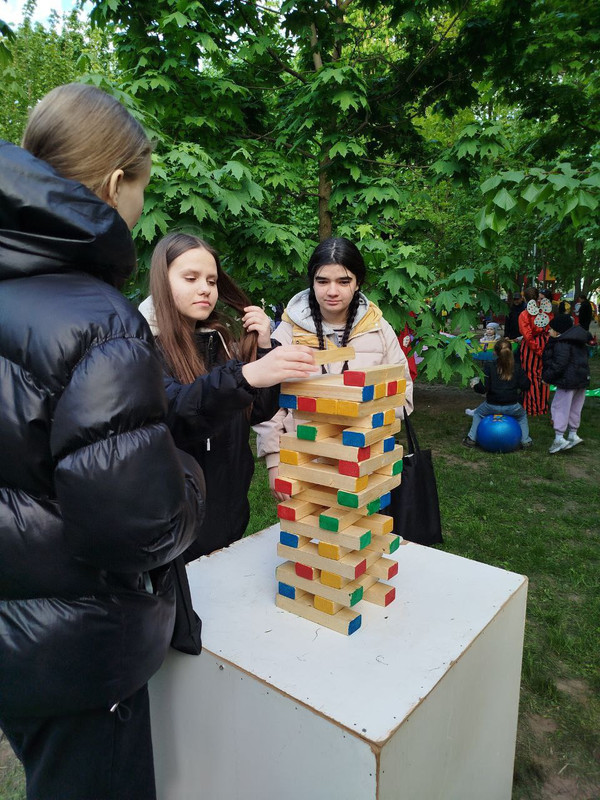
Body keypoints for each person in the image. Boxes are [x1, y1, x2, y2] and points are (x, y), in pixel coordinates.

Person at [0, 84, 206, 800]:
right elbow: (137, 525)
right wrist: (186, 477)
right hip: (79, 652)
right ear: (117, 184)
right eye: (142, 187)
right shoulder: (101, 321)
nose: (142, 205)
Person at [139, 232, 318, 558]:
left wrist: (263, 347)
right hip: (175, 527)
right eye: (190, 278)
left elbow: (259, 411)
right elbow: (177, 411)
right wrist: (246, 375)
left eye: (211, 280)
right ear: (162, 281)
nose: (205, 289)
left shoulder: (218, 340)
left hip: (228, 511)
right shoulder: (141, 346)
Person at [254, 236, 414, 501]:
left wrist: (359, 412)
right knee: (308, 526)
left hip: (365, 464)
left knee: (361, 525)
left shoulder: (379, 329)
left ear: (358, 282)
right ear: (312, 282)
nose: (332, 291)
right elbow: (266, 400)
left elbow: (403, 395)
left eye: (343, 281)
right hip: (304, 463)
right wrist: (274, 459)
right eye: (322, 281)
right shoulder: (288, 332)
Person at [463, 338, 532, 448]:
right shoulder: (517, 367)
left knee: (477, 414)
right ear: (510, 351)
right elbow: (526, 385)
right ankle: (526, 440)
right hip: (512, 406)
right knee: (522, 416)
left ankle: (471, 439)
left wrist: (475, 385)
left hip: (491, 405)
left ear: (495, 352)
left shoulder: (489, 366)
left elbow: (483, 388)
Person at [542, 314, 592, 453]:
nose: (549, 331)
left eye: (551, 329)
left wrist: (547, 377)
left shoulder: (562, 343)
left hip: (567, 382)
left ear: (558, 331)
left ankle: (559, 438)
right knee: (575, 407)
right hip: (580, 380)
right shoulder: (578, 341)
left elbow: (559, 364)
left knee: (559, 407)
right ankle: (572, 434)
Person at [518, 286, 553, 416]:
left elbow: (527, 336)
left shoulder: (524, 314)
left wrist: (538, 350)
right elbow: (550, 329)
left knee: (531, 376)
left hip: (531, 347)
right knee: (544, 375)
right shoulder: (546, 311)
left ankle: (532, 408)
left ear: (524, 298)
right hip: (545, 343)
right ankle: (543, 407)